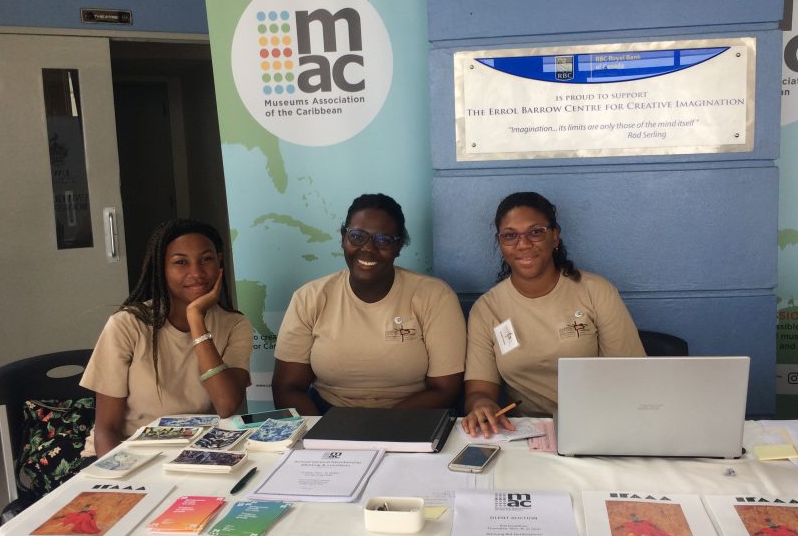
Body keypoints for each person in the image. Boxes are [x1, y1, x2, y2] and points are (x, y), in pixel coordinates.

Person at [463, 191, 645, 438]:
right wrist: (480, 404)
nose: (524, 244)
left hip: (601, 426)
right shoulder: (487, 309)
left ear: (555, 236)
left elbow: (630, 375)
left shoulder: (595, 291)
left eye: (535, 232)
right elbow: (479, 390)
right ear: (500, 243)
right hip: (527, 434)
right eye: (510, 236)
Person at [273, 193, 465, 414]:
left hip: (412, 420)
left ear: (399, 246)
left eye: (383, 240)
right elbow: (287, 388)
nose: (368, 248)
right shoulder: (309, 298)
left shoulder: (435, 297)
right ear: (343, 237)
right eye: (357, 236)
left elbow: (445, 390)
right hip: (328, 420)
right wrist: (320, 435)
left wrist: (375, 429)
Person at [81, 219, 253, 457]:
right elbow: (106, 431)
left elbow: (226, 404)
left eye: (206, 259)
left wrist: (196, 319)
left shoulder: (235, 324)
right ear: (160, 268)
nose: (196, 272)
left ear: (220, 262)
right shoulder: (127, 324)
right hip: (125, 455)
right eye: (181, 262)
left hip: (195, 454)